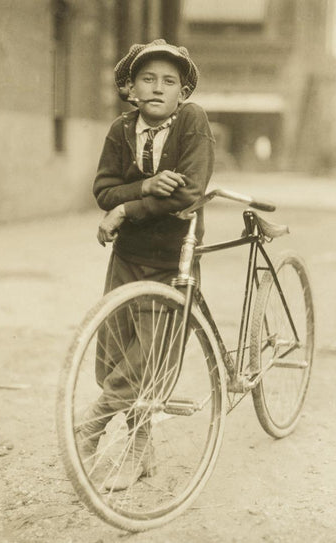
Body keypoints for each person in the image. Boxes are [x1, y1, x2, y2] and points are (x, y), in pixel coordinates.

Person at [77, 39, 215, 491]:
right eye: (148, 79)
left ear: (182, 92)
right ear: (131, 88)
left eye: (169, 81)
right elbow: (103, 190)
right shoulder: (121, 130)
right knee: (116, 349)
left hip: (172, 255)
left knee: (150, 356)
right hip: (127, 256)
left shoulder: (192, 122)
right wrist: (149, 186)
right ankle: (144, 450)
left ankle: (94, 426)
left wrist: (127, 209)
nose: (157, 88)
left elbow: (189, 191)